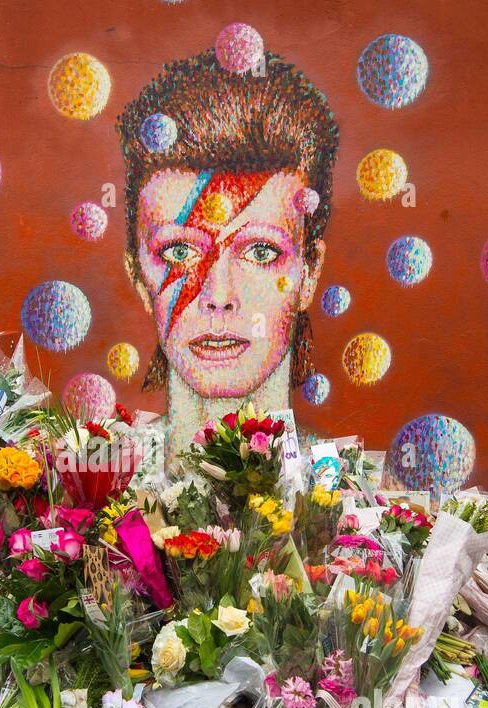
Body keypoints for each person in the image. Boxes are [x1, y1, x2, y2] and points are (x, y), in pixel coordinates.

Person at [117, 50, 336, 458]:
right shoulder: (97, 488)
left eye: (260, 251)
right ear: (139, 278)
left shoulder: (359, 500)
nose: (217, 294)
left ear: (309, 272)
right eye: (180, 250)